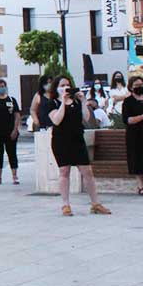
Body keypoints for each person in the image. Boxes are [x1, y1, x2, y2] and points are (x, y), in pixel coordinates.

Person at [50, 76, 111, 216]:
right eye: (62, 85)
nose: (66, 87)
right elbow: (57, 120)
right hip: (61, 141)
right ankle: (65, 205)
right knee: (64, 171)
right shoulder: (52, 103)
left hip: (77, 139)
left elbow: (86, 118)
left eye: (68, 84)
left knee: (87, 172)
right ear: (57, 87)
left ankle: (95, 203)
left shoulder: (77, 101)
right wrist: (63, 102)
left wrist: (83, 101)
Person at [0, 79, 21, 185]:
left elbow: (17, 115)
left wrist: (15, 129)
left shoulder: (12, 100)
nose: (2, 88)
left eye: (3, 86)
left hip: (10, 132)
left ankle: (15, 176)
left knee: (12, 153)